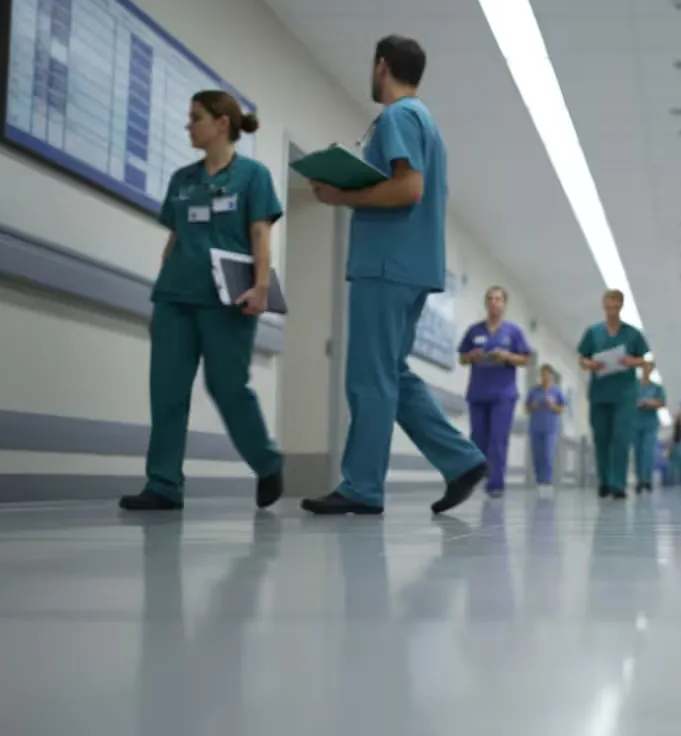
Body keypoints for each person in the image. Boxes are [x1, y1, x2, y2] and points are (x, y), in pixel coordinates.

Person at [304, 35, 488, 515]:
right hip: (410, 266)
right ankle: (462, 460)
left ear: (381, 66)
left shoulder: (399, 117)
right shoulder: (424, 121)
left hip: (387, 264)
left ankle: (361, 487)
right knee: (392, 374)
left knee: (368, 376)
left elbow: (408, 188)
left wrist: (343, 195)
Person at [120, 91, 284, 511]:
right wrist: (160, 297)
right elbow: (173, 240)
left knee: (227, 387)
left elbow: (261, 235)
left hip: (227, 302)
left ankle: (267, 462)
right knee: (167, 390)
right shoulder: (182, 179)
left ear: (222, 124)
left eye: (195, 118)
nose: (188, 125)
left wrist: (261, 286)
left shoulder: (253, 176)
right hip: (175, 298)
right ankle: (163, 483)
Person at [577, 289, 651, 499]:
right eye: (608, 305)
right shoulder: (593, 332)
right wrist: (590, 363)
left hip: (625, 393)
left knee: (620, 438)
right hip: (600, 391)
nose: (611, 309)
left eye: (615, 305)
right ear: (603, 305)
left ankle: (618, 484)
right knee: (601, 437)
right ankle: (604, 481)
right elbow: (582, 358)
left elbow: (644, 360)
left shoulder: (632, 334)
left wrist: (631, 361)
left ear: (620, 306)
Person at [459, 286, 531, 498]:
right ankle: (477, 479)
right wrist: (471, 356)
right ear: (486, 303)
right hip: (478, 392)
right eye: (490, 298)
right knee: (478, 439)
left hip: (503, 395)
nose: (494, 302)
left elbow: (525, 359)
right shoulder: (474, 331)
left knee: (498, 439)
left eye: (498, 299)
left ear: (504, 304)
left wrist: (507, 357)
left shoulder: (513, 332)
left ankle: (496, 484)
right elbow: (462, 358)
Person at [525, 364, 565, 488]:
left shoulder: (557, 391)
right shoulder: (534, 391)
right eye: (542, 373)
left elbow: (561, 409)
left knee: (548, 453)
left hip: (551, 427)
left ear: (551, 375)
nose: (545, 376)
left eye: (547, 373)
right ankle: (539, 480)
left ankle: (546, 480)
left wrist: (552, 405)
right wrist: (535, 405)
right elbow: (527, 408)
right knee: (537, 454)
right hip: (536, 427)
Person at [633, 361, 668, 493]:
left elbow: (662, 402)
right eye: (645, 368)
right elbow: (628, 400)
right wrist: (637, 403)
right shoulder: (634, 386)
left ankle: (646, 481)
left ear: (652, 370)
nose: (647, 370)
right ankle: (639, 480)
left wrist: (651, 403)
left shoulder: (657, 388)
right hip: (635, 422)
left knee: (647, 451)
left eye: (650, 368)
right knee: (638, 452)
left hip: (650, 423)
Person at [666, 419, 681, 487]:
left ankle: (676, 483)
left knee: (676, 471)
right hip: (679, 453)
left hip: (679, 453)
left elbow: (670, 445)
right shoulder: (677, 436)